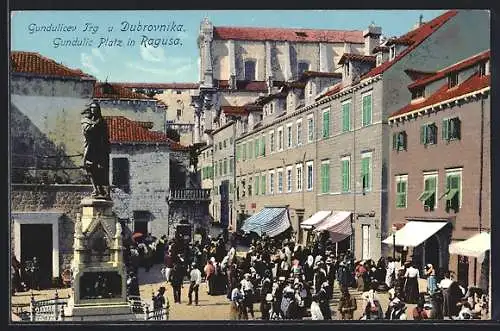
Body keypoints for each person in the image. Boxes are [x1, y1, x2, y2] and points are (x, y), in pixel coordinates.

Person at [81, 101, 110, 199]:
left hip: (99, 148)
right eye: (92, 107)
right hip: (90, 147)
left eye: (96, 108)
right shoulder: (85, 120)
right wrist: (95, 125)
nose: (94, 109)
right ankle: (95, 189)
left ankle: (101, 188)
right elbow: (87, 130)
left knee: (100, 169)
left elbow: (106, 135)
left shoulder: (102, 121)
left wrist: (107, 147)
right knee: (90, 168)